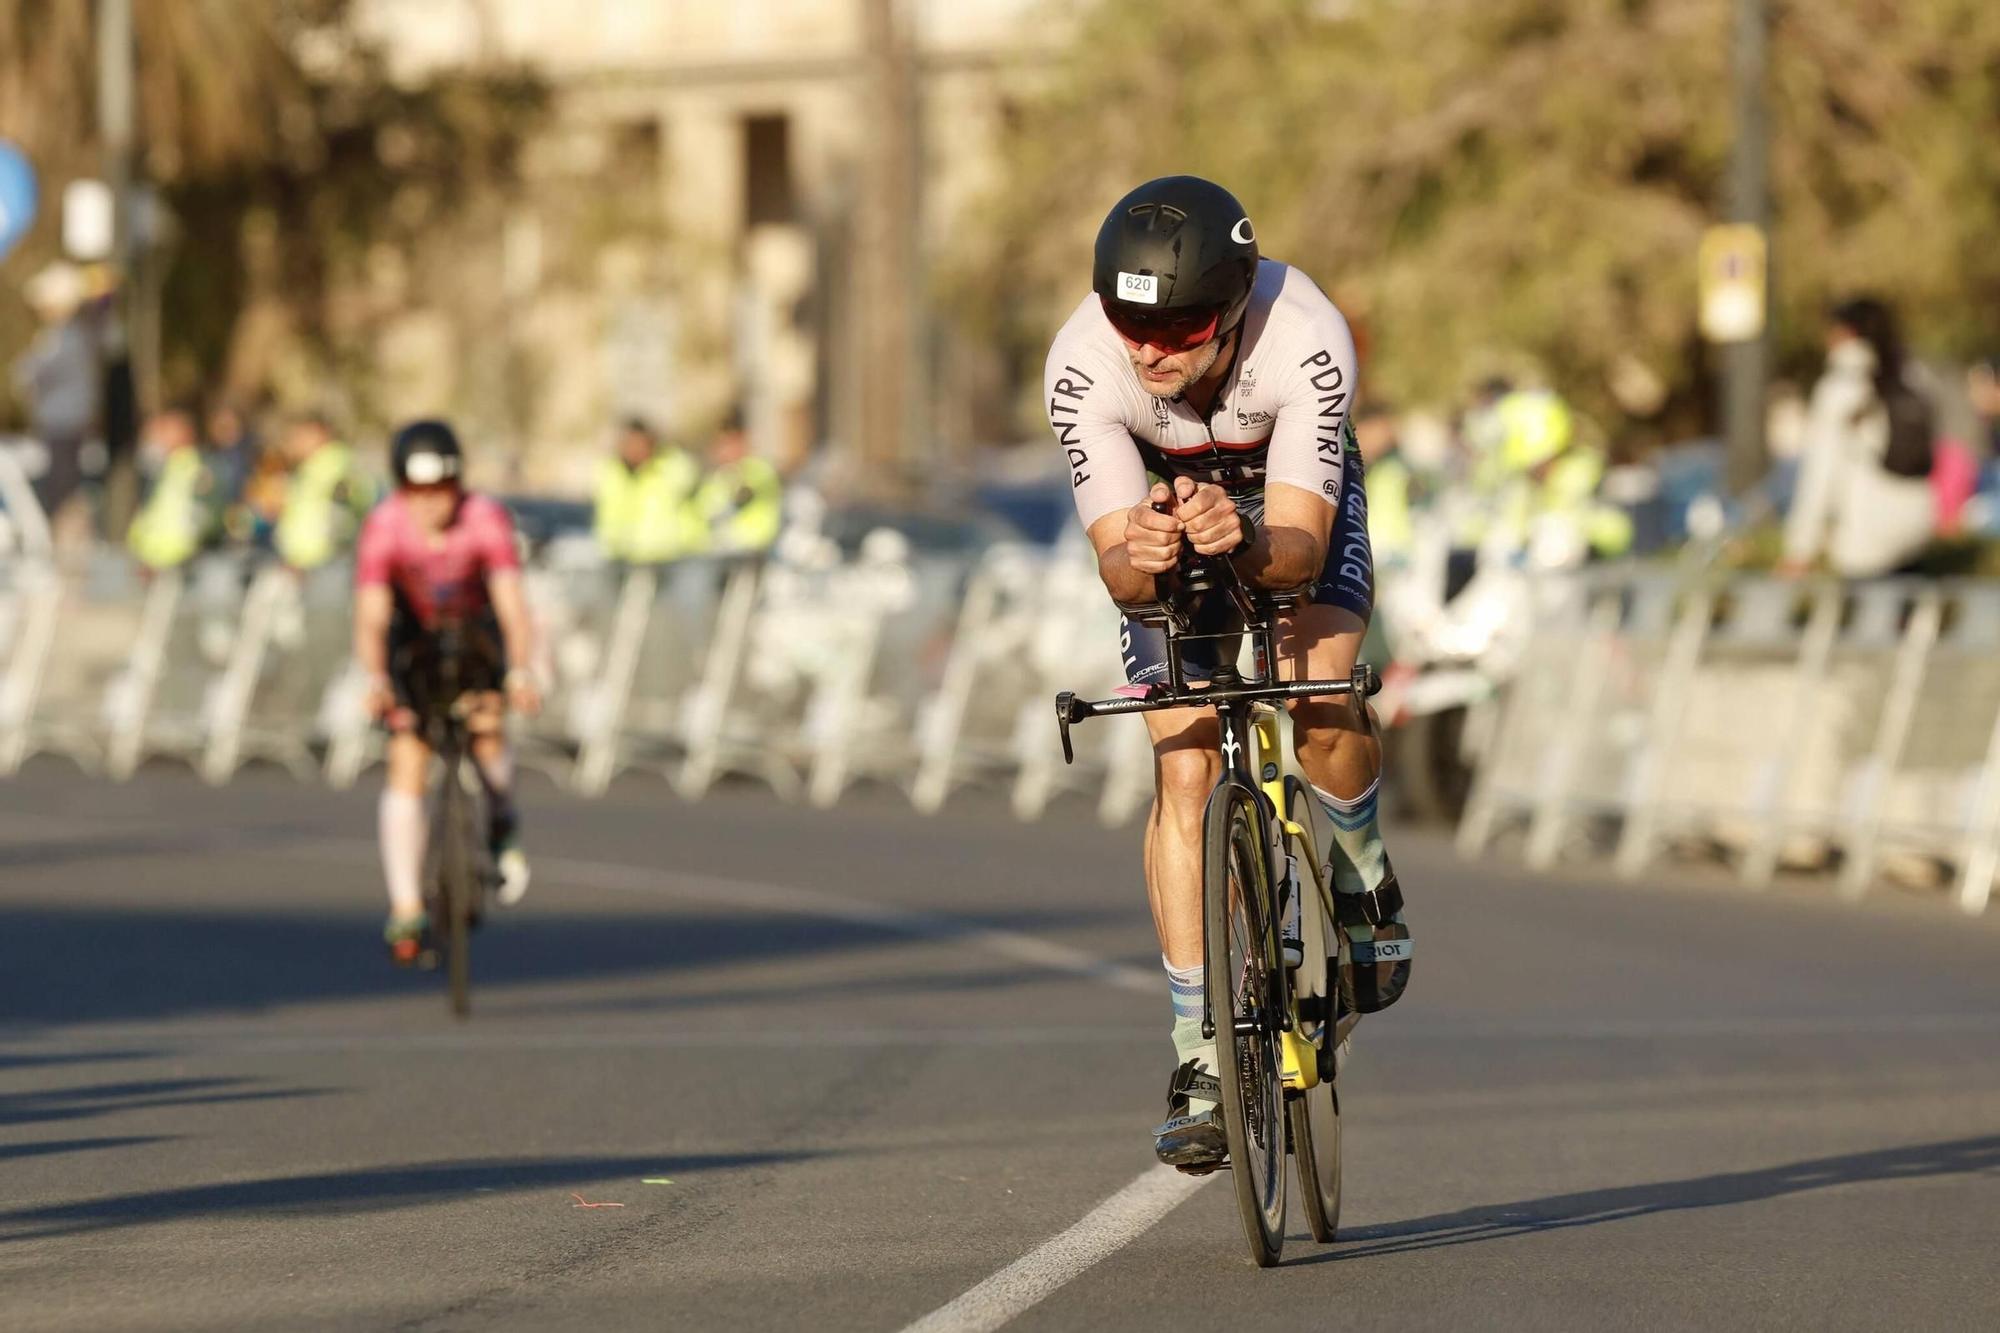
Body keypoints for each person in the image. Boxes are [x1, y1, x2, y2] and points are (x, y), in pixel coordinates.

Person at [1044, 175, 1411, 1172]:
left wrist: (1242, 538)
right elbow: (1121, 577)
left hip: (1284, 505)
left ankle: (1361, 879)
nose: (1150, 351)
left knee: (1319, 682)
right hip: (1168, 516)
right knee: (1181, 757)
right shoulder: (1083, 363)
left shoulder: (1304, 333)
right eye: (1129, 324)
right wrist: (1152, 551)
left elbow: (1294, 550)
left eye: (1179, 328)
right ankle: (1196, 1055)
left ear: (1236, 306)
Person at [353, 420, 541, 965]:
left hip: (473, 630)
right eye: (418, 492)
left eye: (442, 491)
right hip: (415, 634)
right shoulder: (384, 526)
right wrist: (376, 680)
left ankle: (502, 816)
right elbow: (370, 616)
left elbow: (511, 605)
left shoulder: (485, 519)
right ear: (400, 488)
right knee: (407, 753)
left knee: (485, 730)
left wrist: (522, 671)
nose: (431, 505)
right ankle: (406, 905)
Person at [1781, 297, 1935, 578]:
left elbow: (1819, 474)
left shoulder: (1840, 387)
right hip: (1916, 529)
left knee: (1869, 619)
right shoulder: (1914, 376)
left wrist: (1800, 549)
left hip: (1866, 536)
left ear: (1847, 332)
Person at [274, 412, 375, 572]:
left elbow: (352, 504)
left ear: (319, 433)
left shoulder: (335, 464)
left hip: (325, 564)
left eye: (301, 436)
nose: (295, 442)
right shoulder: (309, 467)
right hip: (303, 564)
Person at [592, 417, 700, 565]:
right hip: (622, 558)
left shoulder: (668, 468)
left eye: (639, 444)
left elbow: (687, 475)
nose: (634, 450)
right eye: (629, 444)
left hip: (671, 557)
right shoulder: (613, 473)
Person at [124, 406, 215, 572]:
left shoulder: (193, 467)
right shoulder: (163, 467)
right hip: (151, 556)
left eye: (164, 430)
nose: (157, 437)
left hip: (179, 559)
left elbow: (203, 512)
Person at [692, 409, 782, 554]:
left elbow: (747, 494)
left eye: (728, 444)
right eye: (720, 445)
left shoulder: (759, 469)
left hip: (755, 551)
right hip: (721, 551)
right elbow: (704, 510)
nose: (723, 450)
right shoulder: (717, 478)